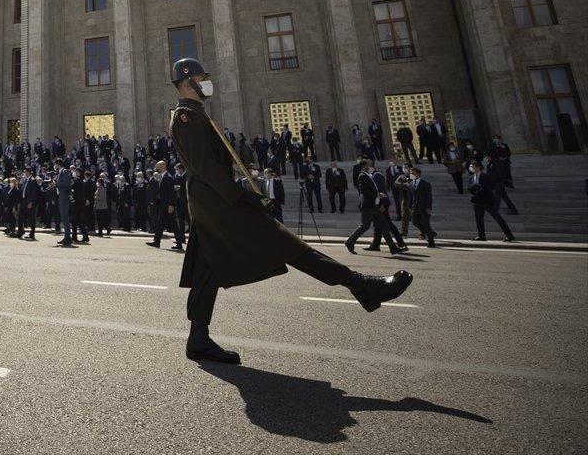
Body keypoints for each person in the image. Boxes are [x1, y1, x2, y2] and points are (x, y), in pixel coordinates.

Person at [168, 58, 411, 365]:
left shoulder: (195, 114)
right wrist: (242, 195)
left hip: (213, 205)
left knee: (207, 270)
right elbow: (205, 168)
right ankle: (363, 287)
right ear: (189, 81)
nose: (207, 82)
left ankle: (198, 340)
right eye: (203, 77)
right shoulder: (186, 118)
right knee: (290, 246)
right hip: (220, 206)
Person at [344, 160, 402, 255]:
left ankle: (393, 248)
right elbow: (364, 191)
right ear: (363, 166)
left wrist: (378, 195)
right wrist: (378, 194)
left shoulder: (368, 176)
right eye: (367, 165)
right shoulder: (362, 176)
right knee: (365, 226)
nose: (369, 166)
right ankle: (350, 242)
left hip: (374, 206)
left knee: (384, 225)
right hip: (368, 206)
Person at [469, 160, 516, 242]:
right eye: (471, 166)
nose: (471, 168)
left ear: (478, 167)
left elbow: (489, 187)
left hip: (487, 201)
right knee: (479, 220)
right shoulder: (472, 177)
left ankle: (509, 235)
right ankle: (481, 236)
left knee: (498, 218)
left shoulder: (485, 176)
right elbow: (470, 188)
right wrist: (474, 190)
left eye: (473, 166)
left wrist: (479, 188)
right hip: (477, 201)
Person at [408, 166, 437, 248]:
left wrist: (429, 208)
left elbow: (429, 197)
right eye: (411, 173)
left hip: (423, 207)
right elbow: (410, 196)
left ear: (418, 174)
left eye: (413, 173)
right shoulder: (410, 184)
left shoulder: (425, 183)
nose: (411, 175)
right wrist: (409, 206)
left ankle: (431, 241)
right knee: (415, 222)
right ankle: (430, 232)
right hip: (414, 207)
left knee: (425, 223)